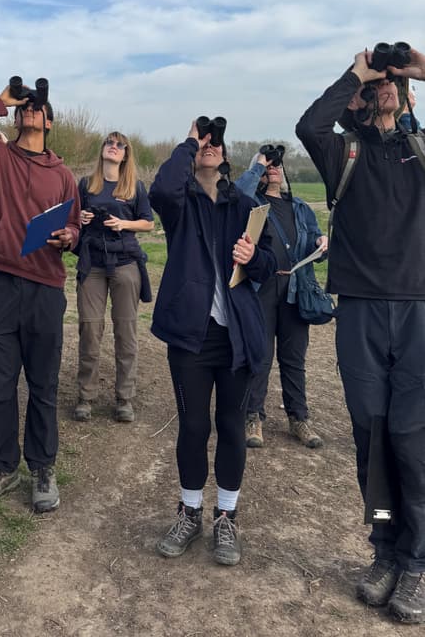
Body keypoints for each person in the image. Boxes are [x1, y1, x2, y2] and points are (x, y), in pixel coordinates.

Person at [296, 48, 425, 623]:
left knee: (412, 440)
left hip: (419, 310)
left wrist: (419, 68)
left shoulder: (420, 150)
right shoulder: (342, 152)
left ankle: (417, 563)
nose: (389, 87)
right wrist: (358, 74)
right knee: (371, 441)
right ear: (361, 98)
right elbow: (308, 124)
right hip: (362, 312)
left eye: (396, 83)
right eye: (381, 83)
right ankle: (382, 553)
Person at [0, 83, 80, 514]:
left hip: (45, 287)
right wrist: (2, 102)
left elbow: (75, 227)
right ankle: (3, 466)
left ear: (50, 123)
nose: (32, 111)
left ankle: (42, 467)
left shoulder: (62, 175)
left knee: (43, 386)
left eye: (40, 108)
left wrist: (68, 237)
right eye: (28, 106)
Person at [149, 121, 275, 566]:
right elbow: (162, 186)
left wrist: (253, 257)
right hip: (190, 336)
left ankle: (226, 517)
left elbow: (270, 262)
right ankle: (189, 511)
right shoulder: (179, 204)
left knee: (232, 427)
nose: (209, 145)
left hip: (235, 335)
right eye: (205, 140)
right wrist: (188, 140)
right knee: (193, 426)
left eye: (215, 142)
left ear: (225, 157)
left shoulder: (245, 205)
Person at [235, 150, 328, 450]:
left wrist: (321, 243)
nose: (274, 170)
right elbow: (236, 196)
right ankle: (253, 416)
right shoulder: (253, 204)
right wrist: (257, 165)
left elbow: (315, 239)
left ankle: (298, 418)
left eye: (278, 166)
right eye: (268, 167)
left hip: (296, 288)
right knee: (259, 355)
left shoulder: (300, 208)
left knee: (294, 358)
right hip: (263, 286)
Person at [73, 131, 154, 424]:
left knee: (126, 331)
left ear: (126, 154)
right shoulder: (85, 184)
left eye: (121, 145)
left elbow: (148, 223)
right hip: (92, 263)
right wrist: (80, 218)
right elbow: (71, 221)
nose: (114, 147)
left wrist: (123, 223)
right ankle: (86, 395)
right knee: (90, 330)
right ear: (102, 149)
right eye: (110, 142)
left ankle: (124, 398)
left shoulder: (135, 187)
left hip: (124, 262)